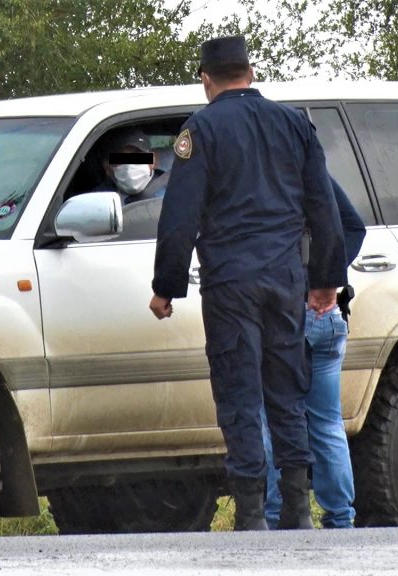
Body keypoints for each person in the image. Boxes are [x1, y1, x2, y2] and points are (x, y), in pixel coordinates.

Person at [148, 35, 346, 531]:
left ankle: (252, 514)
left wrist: (167, 286)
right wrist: (325, 281)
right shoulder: (295, 124)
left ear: (206, 81)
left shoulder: (202, 129)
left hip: (232, 283)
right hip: (286, 280)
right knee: (288, 393)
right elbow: (324, 208)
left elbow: (180, 215)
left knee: (239, 393)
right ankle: (299, 512)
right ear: (251, 73)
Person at [261, 178, 366, 529]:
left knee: (270, 418)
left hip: (284, 315)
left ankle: (274, 517)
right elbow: (354, 227)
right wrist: (325, 281)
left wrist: (307, 284)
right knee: (326, 423)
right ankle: (340, 518)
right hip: (327, 317)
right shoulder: (313, 172)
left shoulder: (260, 174)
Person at [90, 128, 168, 204]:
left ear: (152, 160)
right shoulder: (99, 200)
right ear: (107, 167)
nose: (129, 165)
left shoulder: (171, 189)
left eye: (137, 155)